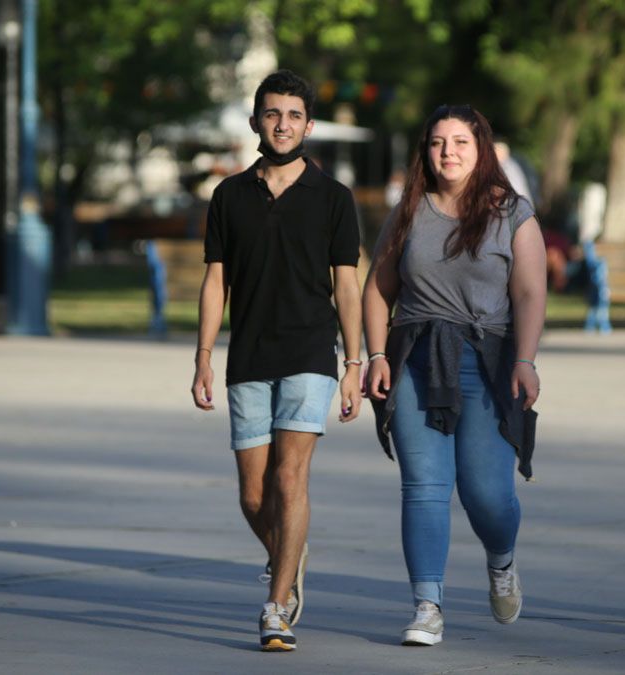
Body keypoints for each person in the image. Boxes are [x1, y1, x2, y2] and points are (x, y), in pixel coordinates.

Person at [190, 69, 363, 652]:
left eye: (293, 115)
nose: (282, 124)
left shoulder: (335, 199)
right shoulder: (229, 196)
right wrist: (202, 357)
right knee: (253, 496)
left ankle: (276, 604)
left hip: (311, 353)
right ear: (256, 121)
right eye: (272, 113)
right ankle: (290, 553)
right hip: (247, 357)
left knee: (290, 479)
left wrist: (355, 363)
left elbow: (347, 286)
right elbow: (216, 282)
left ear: (308, 125)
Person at [363, 104, 546, 646]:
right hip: (417, 359)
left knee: (487, 494)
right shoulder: (408, 213)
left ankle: (501, 559)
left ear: (480, 147)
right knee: (424, 486)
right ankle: (427, 605)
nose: (449, 152)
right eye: (439, 142)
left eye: (460, 142)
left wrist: (526, 359)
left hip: (488, 362)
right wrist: (376, 355)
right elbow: (377, 289)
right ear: (426, 150)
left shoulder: (512, 211)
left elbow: (531, 291)